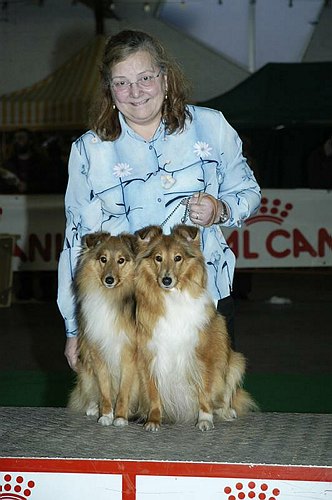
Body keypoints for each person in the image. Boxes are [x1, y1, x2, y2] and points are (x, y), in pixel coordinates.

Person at [57, 30, 261, 371]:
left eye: (145, 78)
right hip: (127, 306)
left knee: (209, 409)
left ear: (165, 80)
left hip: (203, 298)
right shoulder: (88, 151)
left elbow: (249, 193)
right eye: (121, 83)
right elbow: (77, 242)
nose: (135, 92)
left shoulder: (212, 127)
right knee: (138, 417)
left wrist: (219, 210)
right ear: (109, 89)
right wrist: (74, 327)